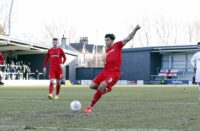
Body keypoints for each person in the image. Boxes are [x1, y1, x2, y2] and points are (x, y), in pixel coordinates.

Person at [84, 25, 141, 113]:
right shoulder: (106, 51)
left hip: (114, 73)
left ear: (112, 40)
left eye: (107, 40)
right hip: (105, 71)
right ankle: (107, 89)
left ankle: (90, 107)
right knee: (92, 86)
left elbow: (128, 38)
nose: (106, 42)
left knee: (102, 85)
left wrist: (135, 29)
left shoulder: (117, 45)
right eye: (105, 40)